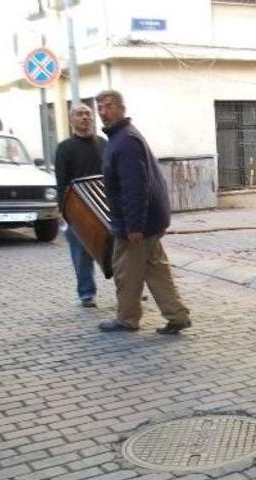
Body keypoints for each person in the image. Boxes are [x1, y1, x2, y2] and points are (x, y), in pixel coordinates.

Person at [95, 90, 191, 334]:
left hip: (136, 224)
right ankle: (177, 315)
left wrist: (134, 226)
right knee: (156, 269)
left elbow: (135, 187)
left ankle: (127, 319)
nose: (103, 113)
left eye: (109, 106)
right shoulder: (124, 137)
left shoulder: (125, 141)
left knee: (125, 273)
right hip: (149, 220)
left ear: (122, 109)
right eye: (100, 108)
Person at [55, 103, 107, 308]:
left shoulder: (103, 143)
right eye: (79, 114)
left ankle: (127, 290)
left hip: (105, 207)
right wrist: (64, 211)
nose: (85, 117)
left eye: (88, 114)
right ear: (71, 121)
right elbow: (62, 182)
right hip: (77, 210)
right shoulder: (64, 148)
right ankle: (87, 293)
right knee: (81, 252)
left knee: (117, 252)